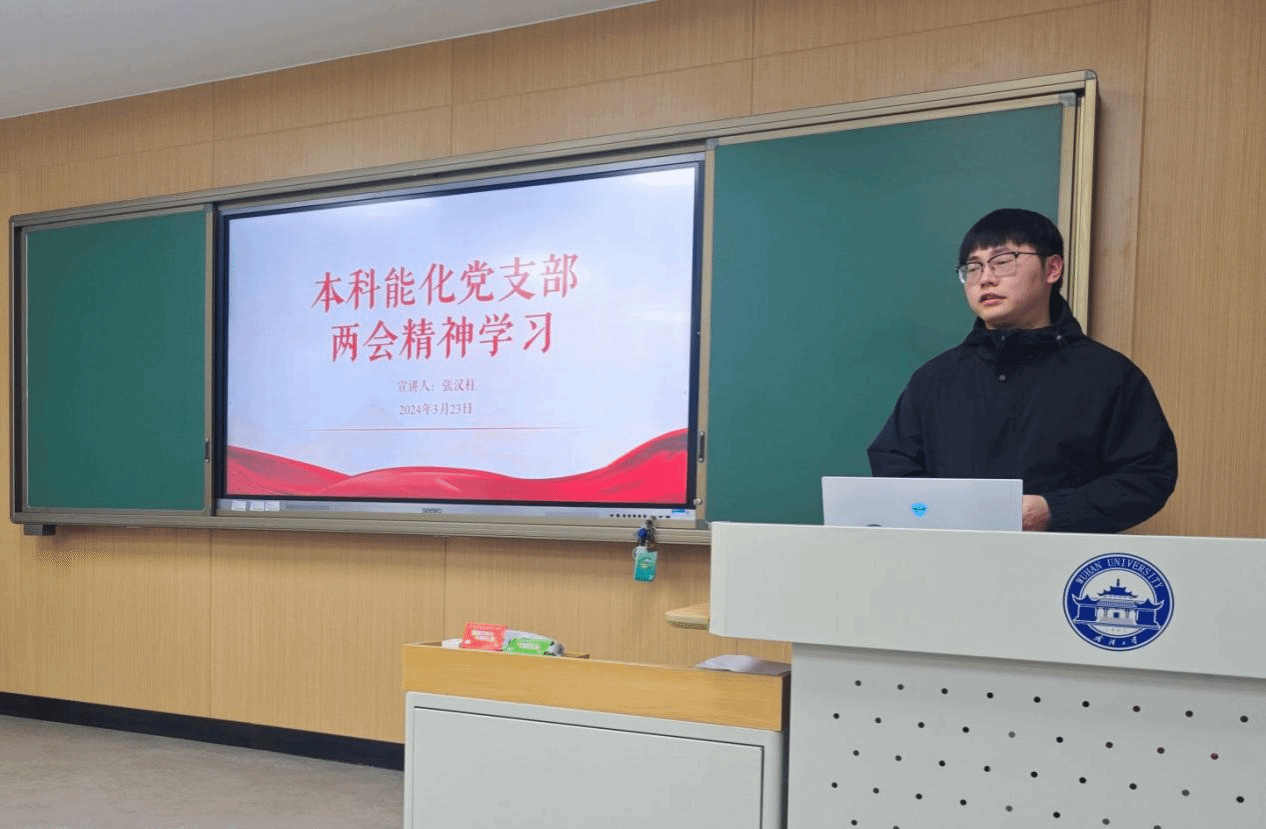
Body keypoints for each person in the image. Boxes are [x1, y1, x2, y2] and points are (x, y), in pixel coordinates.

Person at [867, 208, 1177, 533]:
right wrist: (939, 513)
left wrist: (1055, 510)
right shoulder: (934, 379)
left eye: (1003, 262)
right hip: (949, 555)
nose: (985, 278)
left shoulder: (1109, 375)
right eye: (973, 268)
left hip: (1065, 559)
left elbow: (1148, 476)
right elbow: (893, 463)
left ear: (1052, 268)